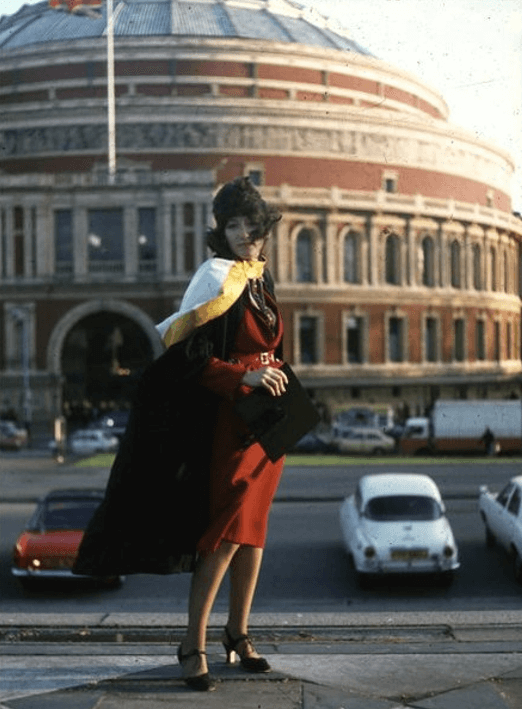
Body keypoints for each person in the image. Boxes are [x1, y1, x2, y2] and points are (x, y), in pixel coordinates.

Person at [73, 177, 289, 692]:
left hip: (265, 421)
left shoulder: (260, 277)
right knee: (221, 536)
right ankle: (191, 644)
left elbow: (269, 347)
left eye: (251, 225)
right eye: (232, 225)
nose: (243, 234)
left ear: (263, 231)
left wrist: (278, 383)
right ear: (219, 230)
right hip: (228, 422)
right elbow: (186, 357)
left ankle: (237, 634)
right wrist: (244, 376)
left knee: (252, 535)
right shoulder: (215, 278)